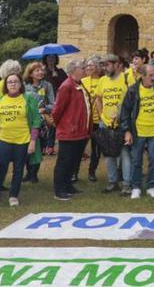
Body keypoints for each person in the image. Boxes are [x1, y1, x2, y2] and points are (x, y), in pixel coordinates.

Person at [0, 73, 44, 207]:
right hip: (4, 140)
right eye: (10, 82)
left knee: (18, 169)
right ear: (5, 85)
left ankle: (13, 196)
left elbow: (35, 121)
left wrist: (33, 141)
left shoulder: (28, 99)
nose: (12, 84)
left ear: (20, 84)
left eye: (15, 82)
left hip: (23, 140)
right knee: (0, 168)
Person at [120, 64, 154, 199]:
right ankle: (136, 186)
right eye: (150, 75)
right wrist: (127, 131)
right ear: (142, 76)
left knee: (153, 159)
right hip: (138, 131)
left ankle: (151, 186)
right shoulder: (133, 91)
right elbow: (125, 112)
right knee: (137, 160)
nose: (153, 78)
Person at [51, 59, 90, 201]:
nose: (85, 69)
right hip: (69, 131)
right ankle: (59, 189)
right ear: (74, 70)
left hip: (80, 131)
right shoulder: (66, 86)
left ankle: (68, 185)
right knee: (64, 161)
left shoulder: (79, 85)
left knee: (74, 160)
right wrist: (63, 125)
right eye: (82, 67)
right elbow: (57, 110)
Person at [94, 54, 132, 194]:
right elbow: (98, 99)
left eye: (107, 65)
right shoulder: (102, 80)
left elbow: (133, 98)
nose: (105, 68)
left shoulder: (127, 78)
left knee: (125, 153)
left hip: (123, 123)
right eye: (103, 65)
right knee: (109, 154)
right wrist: (102, 115)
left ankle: (127, 184)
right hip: (106, 123)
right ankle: (112, 182)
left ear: (117, 65)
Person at [23, 61, 56, 181]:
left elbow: (53, 103)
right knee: (27, 147)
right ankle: (28, 173)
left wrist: (45, 108)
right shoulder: (24, 86)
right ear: (30, 73)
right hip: (27, 121)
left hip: (42, 122)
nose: (41, 72)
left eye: (42, 70)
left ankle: (34, 174)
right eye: (37, 70)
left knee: (39, 148)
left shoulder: (47, 85)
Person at [81, 57, 104, 182]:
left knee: (96, 149)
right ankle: (74, 172)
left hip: (98, 121)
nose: (89, 68)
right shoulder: (83, 81)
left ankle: (92, 171)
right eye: (87, 66)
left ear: (98, 67)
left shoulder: (103, 81)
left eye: (92, 65)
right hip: (85, 120)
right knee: (79, 147)